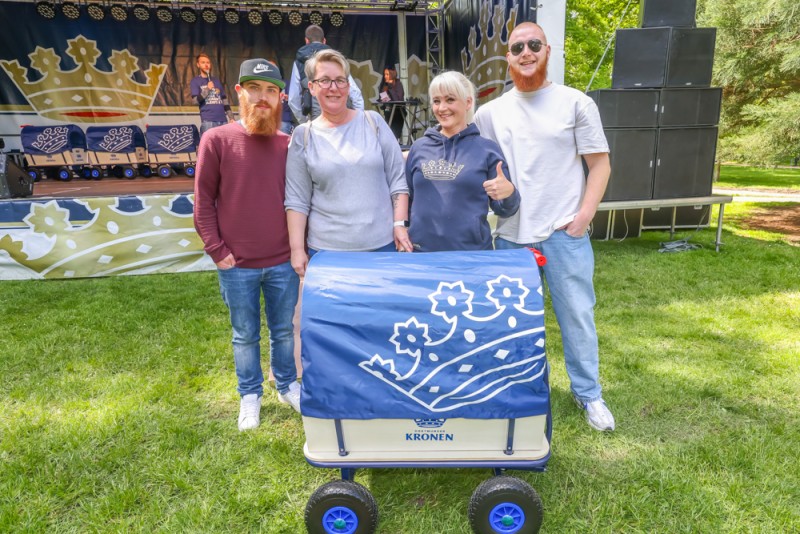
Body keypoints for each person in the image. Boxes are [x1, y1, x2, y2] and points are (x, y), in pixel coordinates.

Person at [474, 22, 615, 432]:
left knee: (577, 317)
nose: (525, 52)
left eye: (533, 44)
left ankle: (589, 394)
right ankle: (512, 391)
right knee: (508, 323)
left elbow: (600, 163)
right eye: (517, 46)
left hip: (562, 233)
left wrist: (584, 216)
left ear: (547, 50)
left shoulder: (576, 103)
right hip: (509, 236)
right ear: (508, 57)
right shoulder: (490, 113)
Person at [194, 58, 301, 431]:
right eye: (254, 88)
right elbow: (203, 201)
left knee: (284, 330)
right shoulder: (217, 139)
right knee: (245, 334)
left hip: (283, 261)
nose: (263, 97)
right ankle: (250, 394)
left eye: (271, 90)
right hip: (236, 263)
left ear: (280, 98)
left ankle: (287, 385)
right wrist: (217, 251)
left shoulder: (290, 144)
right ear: (239, 93)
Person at [285, 49, 412, 277]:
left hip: (382, 248)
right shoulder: (303, 136)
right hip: (327, 255)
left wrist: (399, 224)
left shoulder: (373, 122)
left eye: (340, 80)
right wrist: (296, 250)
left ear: (348, 86)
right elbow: (297, 199)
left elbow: (397, 181)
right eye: (324, 80)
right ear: (312, 88)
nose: (333, 88)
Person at [405, 71, 520, 251]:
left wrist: (509, 193)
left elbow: (505, 209)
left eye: (450, 99)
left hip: (472, 257)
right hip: (421, 256)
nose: (442, 108)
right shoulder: (418, 148)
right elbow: (408, 198)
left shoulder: (487, 150)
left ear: (468, 102)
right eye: (436, 101)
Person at [287, 24, 364, 124]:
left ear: (306, 40)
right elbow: (355, 92)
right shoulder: (335, 59)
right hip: (341, 119)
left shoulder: (299, 62)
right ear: (324, 41)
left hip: (316, 120)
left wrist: (304, 122)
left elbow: (293, 99)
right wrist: (358, 119)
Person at [190, 53, 234, 136]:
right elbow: (195, 101)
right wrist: (207, 89)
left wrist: (231, 118)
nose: (206, 65)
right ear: (198, 65)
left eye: (208, 62)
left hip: (223, 120)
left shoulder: (216, 80)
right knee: (209, 148)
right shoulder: (195, 81)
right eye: (203, 62)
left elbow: (224, 100)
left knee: (223, 148)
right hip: (208, 121)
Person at [380, 66, 405, 141]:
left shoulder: (398, 84)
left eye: (387, 74)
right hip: (388, 112)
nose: (385, 77)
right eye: (385, 74)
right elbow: (384, 99)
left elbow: (398, 100)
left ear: (392, 75)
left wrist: (390, 88)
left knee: (394, 134)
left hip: (398, 113)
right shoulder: (385, 86)